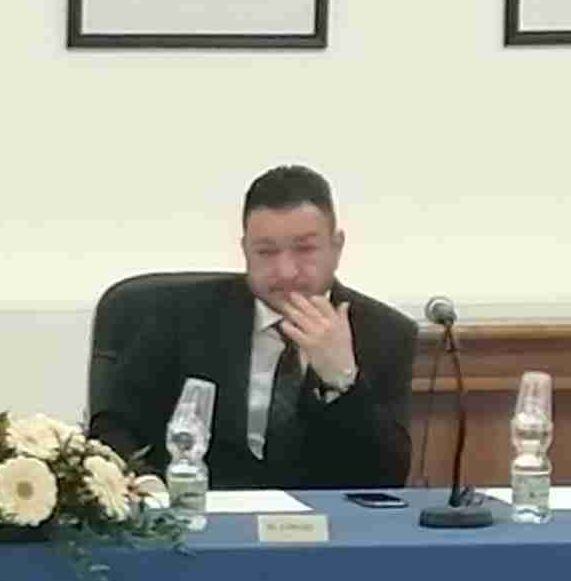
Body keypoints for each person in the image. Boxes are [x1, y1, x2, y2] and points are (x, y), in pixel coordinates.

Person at [90, 165, 417, 490]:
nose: (286, 271)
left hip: (324, 519)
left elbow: (387, 477)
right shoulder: (180, 316)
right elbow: (114, 427)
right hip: (197, 512)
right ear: (245, 249)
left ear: (336, 247)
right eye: (266, 252)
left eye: (305, 249)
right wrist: (146, 483)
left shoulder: (385, 333)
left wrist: (343, 381)